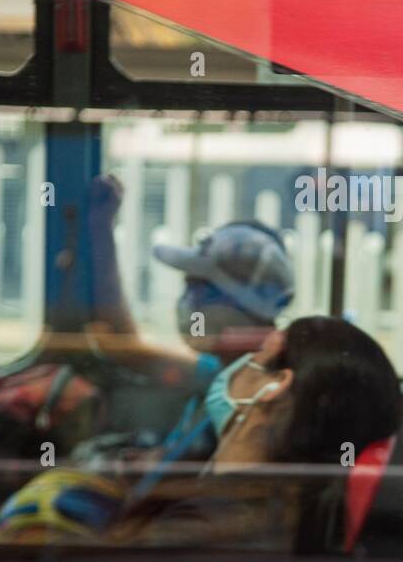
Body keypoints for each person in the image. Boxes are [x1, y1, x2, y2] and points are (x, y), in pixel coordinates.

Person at [0, 315, 403, 550]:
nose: (238, 364)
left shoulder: (211, 528)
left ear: (271, 386)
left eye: (256, 356)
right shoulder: (266, 504)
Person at [74, 174, 296, 464]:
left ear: (244, 304)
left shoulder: (262, 390)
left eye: (199, 288)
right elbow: (124, 345)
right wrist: (100, 228)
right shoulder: (222, 370)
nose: (188, 302)